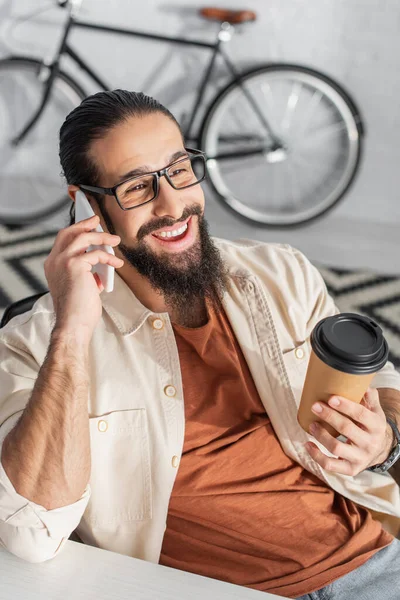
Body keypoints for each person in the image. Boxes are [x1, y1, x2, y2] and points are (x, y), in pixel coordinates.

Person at [0, 90, 400, 599]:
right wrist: (72, 332)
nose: (173, 204)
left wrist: (384, 438)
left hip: (375, 561)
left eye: (180, 170)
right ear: (87, 206)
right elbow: (31, 533)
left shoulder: (281, 272)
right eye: (137, 186)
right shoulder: (34, 347)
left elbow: (382, 382)